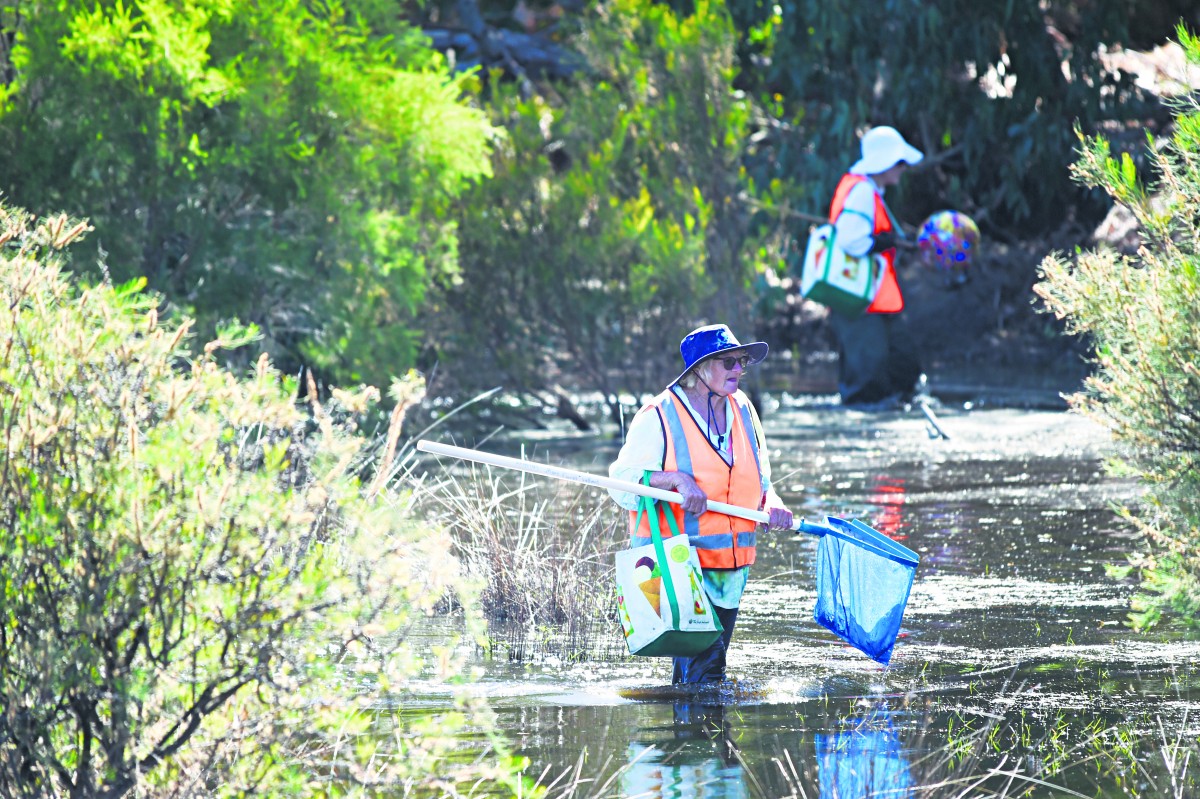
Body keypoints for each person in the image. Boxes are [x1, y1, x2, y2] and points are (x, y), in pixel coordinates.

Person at [608, 323, 794, 684]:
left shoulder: (743, 409)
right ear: (698, 370)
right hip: (678, 568)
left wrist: (773, 502)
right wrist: (675, 480)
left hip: (731, 569)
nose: (738, 369)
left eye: (741, 361)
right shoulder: (658, 416)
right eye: (728, 363)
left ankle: (693, 736)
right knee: (703, 677)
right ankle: (696, 737)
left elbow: (761, 479)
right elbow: (621, 486)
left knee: (707, 675)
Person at [828, 125, 925, 406]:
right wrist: (885, 242)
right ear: (885, 163)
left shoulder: (869, 189)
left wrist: (893, 240)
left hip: (871, 301)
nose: (903, 168)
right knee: (866, 385)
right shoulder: (861, 192)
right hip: (858, 302)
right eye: (900, 163)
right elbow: (851, 240)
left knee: (902, 369)